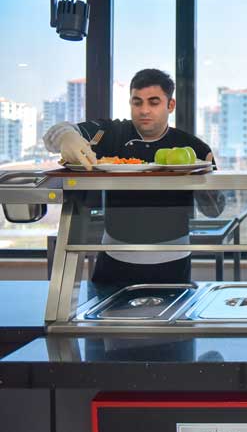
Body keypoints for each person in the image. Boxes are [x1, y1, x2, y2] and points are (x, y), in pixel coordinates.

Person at [44, 68, 224, 286]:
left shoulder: (193, 147)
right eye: (137, 102)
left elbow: (214, 211)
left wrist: (206, 184)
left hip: (173, 262)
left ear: (170, 105)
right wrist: (66, 136)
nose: (144, 110)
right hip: (114, 259)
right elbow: (55, 133)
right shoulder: (108, 133)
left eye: (154, 102)